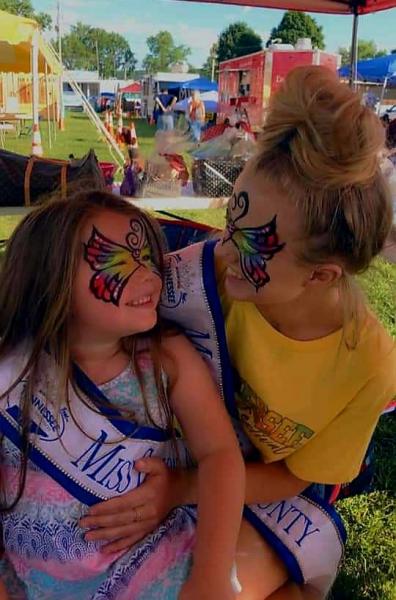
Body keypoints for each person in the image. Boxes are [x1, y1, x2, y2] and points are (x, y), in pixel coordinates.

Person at [82, 66, 396, 599]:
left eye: (250, 246)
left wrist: (182, 492)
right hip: (174, 455)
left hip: (269, 496)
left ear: (321, 275)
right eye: (230, 224)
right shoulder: (203, 277)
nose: (223, 250)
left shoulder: (369, 365)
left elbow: (298, 477)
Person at [0, 191, 245, 599]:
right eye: (117, 261)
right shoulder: (11, 373)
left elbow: (220, 456)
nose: (150, 275)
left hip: (165, 574)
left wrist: (212, 576)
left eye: (148, 258)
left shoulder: (168, 358)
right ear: (49, 276)